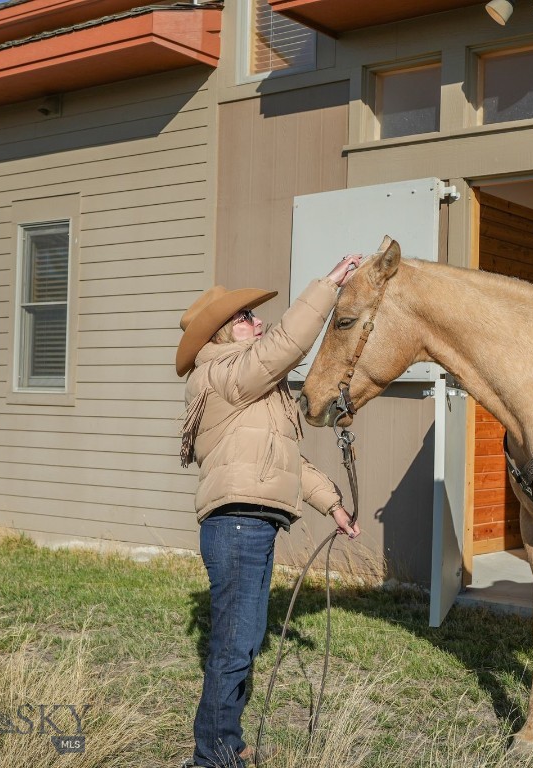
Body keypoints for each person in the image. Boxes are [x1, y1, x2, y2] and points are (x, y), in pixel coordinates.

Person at [175, 254, 363, 768]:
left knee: (246, 640)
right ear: (219, 335)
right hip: (236, 523)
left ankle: (225, 744)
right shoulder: (219, 374)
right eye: (246, 319)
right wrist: (326, 289)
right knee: (234, 646)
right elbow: (285, 346)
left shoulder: (251, 387)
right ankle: (212, 757)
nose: (259, 322)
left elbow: (287, 460)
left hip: (251, 523)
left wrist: (333, 505)